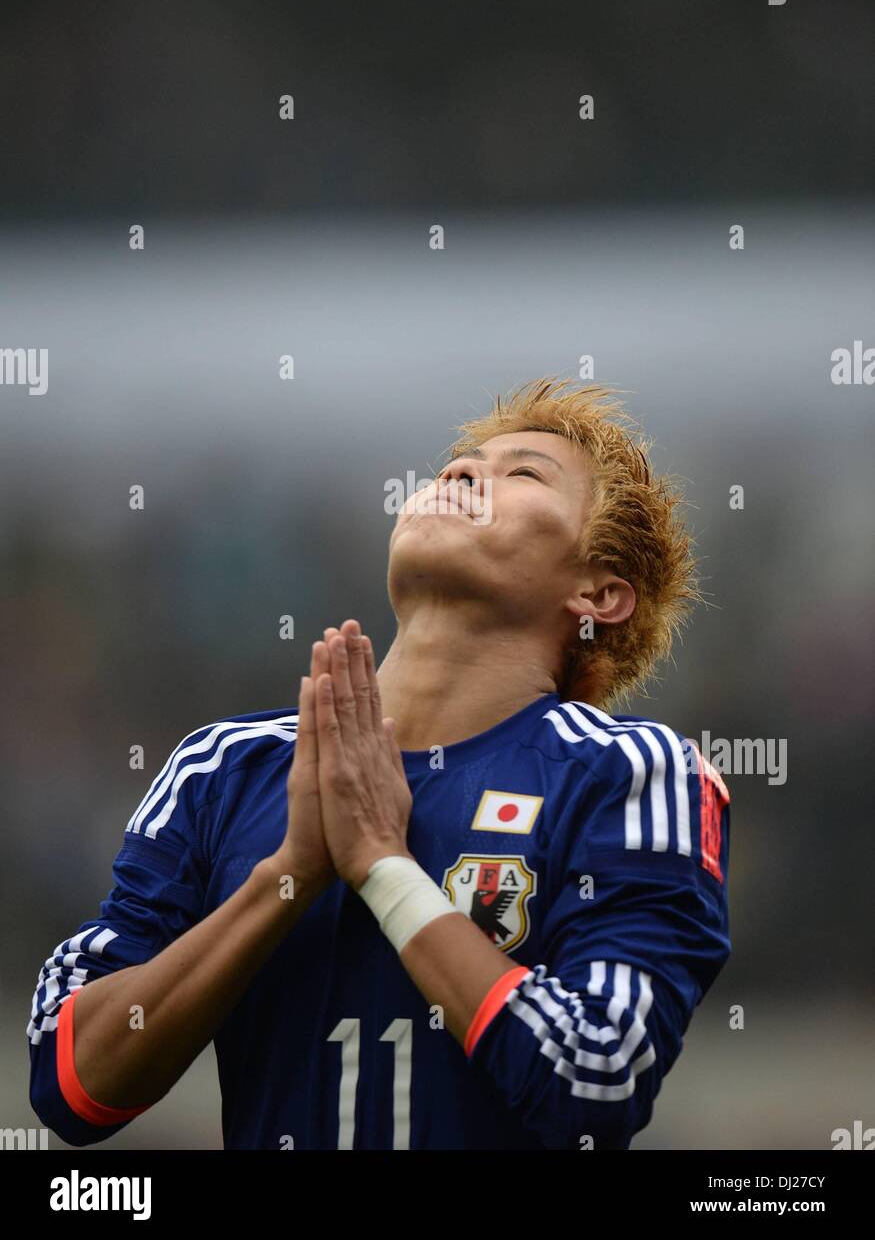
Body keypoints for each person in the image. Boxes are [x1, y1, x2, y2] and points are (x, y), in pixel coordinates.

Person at [28, 377, 731, 1150]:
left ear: (599, 594)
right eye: (460, 461)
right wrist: (289, 872)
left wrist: (383, 868)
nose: (459, 474)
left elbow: (596, 1079)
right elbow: (71, 1086)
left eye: (523, 473)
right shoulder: (221, 768)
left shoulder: (631, 773)